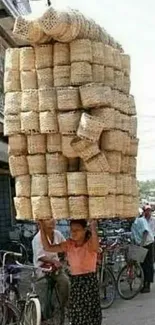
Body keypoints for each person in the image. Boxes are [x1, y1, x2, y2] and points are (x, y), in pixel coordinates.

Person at [39, 219, 102, 325]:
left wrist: (93, 227)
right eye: (72, 230)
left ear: (85, 230)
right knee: (76, 315)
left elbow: (96, 247)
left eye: (77, 230)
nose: (73, 233)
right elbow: (47, 247)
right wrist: (41, 227)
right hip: (75, 282)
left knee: (90, 315)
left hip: (89, 283)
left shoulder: (90, 243)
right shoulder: (69, 244)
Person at [32, 219, 70, 311]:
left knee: (67, 281)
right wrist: (54, 261)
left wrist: (67, 256)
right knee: (63, 282)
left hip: (56, 268)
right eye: (48, 219)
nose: (52, 221)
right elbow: (40, 256)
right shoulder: (37, 238)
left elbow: (65, 246)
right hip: (43, 269)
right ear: (42, 223)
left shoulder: (57, 234)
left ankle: (63, 305)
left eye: (53, 219)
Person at [131, 204, 155, 293]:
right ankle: (144, 282)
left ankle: (147, 285)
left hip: (148, 243)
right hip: (141, 244)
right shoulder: (133, 224)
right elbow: (134, 236)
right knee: (142, 264)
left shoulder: (141, 221)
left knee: (148, 265)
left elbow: (145, 232)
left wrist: (141, 245)